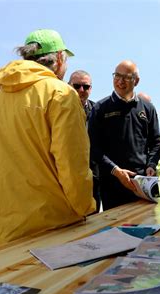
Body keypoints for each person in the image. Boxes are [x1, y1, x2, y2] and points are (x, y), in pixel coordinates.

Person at [0, 29, 95, 250]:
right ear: (60, 57)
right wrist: (85, 206)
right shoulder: (61, 93)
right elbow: (71, 163)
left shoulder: (0, 97)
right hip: (49, 226)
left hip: (0, 225)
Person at [89, 60, 160, 210]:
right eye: (117, 76)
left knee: (148, 226)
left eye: (126, 77)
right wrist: (116, 170)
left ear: (137, 81)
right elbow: (93, 147)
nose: (120, 81)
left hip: (142, 183)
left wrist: (151, 164)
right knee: (116, 230)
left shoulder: (147, 108)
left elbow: (155, 142)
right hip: (112, 182)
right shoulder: (100, 108)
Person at [69, 69, 100, 212]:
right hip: (69, 172)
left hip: (94, 172)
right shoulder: (58, 108)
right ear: (68, 86)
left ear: (91, 89)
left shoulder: (98, 110)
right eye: (77, 86)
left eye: (86, 87)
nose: (81, 90)